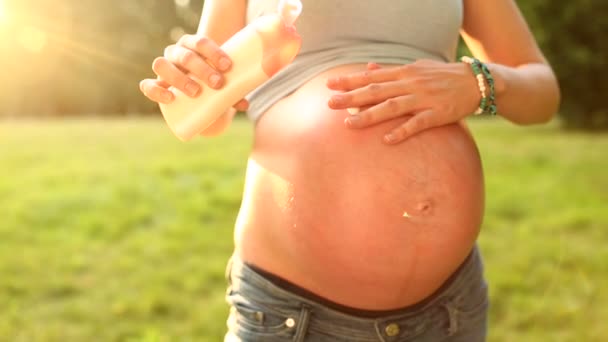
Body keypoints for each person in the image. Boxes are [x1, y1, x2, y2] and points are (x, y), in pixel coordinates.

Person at [140, 0, 560, 341]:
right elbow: (203, 114)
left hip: (448, 310)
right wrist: (187, 75)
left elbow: (542, 92)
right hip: (295, 319)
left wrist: (479, 83)